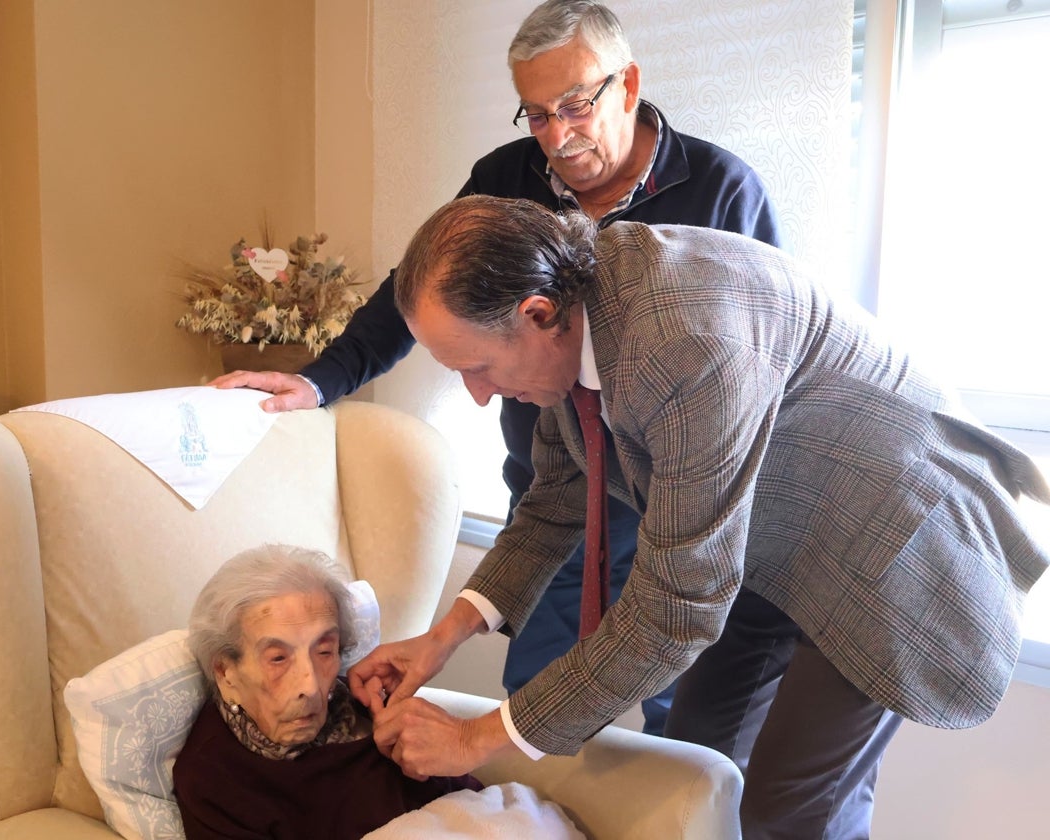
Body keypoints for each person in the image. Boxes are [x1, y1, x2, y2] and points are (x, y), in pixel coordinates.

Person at [347, 195, 1050, 839]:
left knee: (790, 811)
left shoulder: (684, 341)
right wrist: (440, 640)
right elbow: (553, 502)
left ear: (536, 314)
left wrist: (475, 738)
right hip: (766, 542)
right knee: (695, 764)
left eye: (477, 367)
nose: (476, 395)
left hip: (893, 550)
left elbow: (675, 611)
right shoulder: (573, 328)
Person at [211, 0, 784, 736]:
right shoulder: (504, 179)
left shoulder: (721, 188)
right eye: (537, 115)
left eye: (574, 106)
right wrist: (320, 379)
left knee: (691, 746)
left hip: (678, 510)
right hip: (558, 494)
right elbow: (416, 293)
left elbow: (757, 371)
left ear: (629, 84)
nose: (558, 136)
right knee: (537, 715)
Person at [173, 544, 480, 840]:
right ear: (226, 672)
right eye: (278, 658)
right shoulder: (213, 778)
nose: (310, 686)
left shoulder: (369, 705)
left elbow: (471, 799)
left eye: (324, 651)